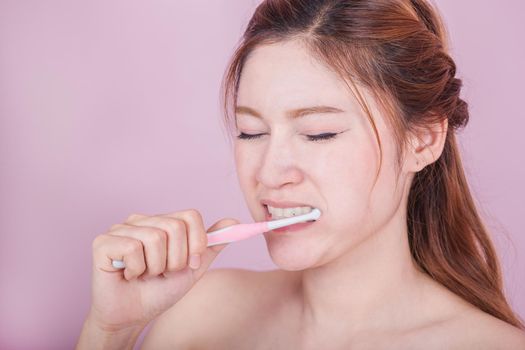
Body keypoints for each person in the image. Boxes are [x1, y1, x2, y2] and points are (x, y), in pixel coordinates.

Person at [77, 0, 525, 348]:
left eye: (318, 133)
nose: (269, 173)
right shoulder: (199, 314)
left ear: (423, 141)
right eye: (251, 132)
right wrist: (109, 331)